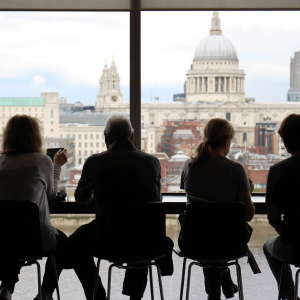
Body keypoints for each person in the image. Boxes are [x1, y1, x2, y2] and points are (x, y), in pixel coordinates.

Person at [43, 114, 173, 300]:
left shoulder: (96, 161)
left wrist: (99, 195)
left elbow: (81, 198)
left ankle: (95, 296)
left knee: (76, 245)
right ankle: (135, 296)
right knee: (139, 228)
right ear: (132, 137)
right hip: (148, 242)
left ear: (106, 138)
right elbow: (152, 199)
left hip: (110, 240)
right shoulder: (152, 162)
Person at [180, 118, 255, 300]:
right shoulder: (236, 169)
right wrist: (247, 191)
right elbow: (248, 214)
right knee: (218, 235)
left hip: (194, 242)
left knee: (207, 233)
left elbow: (198, 206)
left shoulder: (189, 166)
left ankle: (215, 292)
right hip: (230, 244)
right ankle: (223, 279)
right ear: (228, 140)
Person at [0, 115, 68, 300]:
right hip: (36, 240)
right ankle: (45, 292)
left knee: (12, 233)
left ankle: (6, 289)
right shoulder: (41, 161)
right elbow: (52, 194)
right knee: (64, 244)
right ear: (35, 136)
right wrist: (57, 166)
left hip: (3, 241)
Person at [264, 114, 300, 300]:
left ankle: (289, 295)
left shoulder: (278, 170)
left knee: (268, 245)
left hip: (295, 246)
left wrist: (288, 234)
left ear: (285, 140)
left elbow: (273, 218)